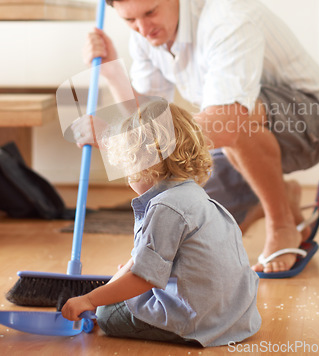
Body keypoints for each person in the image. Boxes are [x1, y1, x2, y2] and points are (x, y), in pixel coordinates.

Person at [82, 0, 319, 275]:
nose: (143, 29)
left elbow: (226, 124)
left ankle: (281, 226)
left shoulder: (227, 19)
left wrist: (117, 135)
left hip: (313, 123)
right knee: (189, 225)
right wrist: (111, 71)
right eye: (130, 20)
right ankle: (282, 195)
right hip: (246, 133)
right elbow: (148, 111)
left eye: (150, 13)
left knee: (236, 118)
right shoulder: (145, 32)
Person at [61, 99, 261, 347]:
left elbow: (143, 280)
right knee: (130, 281)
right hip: (236, 317)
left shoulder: (164, 207)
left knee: (107, 314)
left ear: (142, 163)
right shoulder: (196, 196)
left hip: (198, 322)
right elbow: (144, 262)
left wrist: (91, 300)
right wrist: (132, 271)